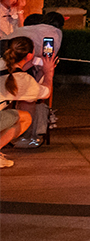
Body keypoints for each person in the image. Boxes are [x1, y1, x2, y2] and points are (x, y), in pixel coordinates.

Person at [0, 36, 54, 166]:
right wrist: (48, 73)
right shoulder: (23, 79)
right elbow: (45, 93)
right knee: (25, 118)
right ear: (29, 56)